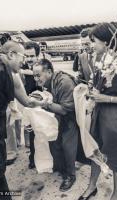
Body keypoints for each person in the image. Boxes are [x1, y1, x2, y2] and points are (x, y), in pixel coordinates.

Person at [77, 23, 117, 200]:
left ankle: (116, 195)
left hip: (115, 119)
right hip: (97, 115)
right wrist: (90, 91)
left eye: (94, 41)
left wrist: (107, 98)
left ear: (106, 41)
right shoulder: (98, 61)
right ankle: (91, 186)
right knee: (96, 152)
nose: (91, 45)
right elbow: (95, 86)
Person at [0, 41, 44, 199]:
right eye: (23, 57)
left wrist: (41, 102)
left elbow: (26, 101)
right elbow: (27, 101)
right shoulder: (5, 72)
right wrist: (42, 103)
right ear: (11, 54)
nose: (24, 61)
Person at [33, 59, 79, 192]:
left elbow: (65, 109)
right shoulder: (49, 80)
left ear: (49, 72)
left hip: (70, 117)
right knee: (55, 143)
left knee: (68, 146)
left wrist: (42, 103)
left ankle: (71, 175)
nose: (36, 79)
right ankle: (62, 169)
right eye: (34, 76)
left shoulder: (64, 82)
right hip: (57, 117)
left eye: (38, 75)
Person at [21, 41, 41, 169]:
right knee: (32, 133)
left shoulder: (42, 66)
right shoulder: (21, 67)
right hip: (29, 106)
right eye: (27, 56)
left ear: (37, 56)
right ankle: (33, 157)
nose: (29, 59)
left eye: (32, 56)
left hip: (42, 105)